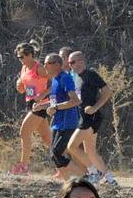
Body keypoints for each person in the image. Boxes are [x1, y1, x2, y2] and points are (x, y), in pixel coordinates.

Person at [65, 51, 118, 184]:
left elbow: (107, 91)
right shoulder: (75, 77)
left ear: (81, 61)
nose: (70, 65)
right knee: (90, 151)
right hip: (84, 117)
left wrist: (95, 107)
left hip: (91, 118)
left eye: (72, 62)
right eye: (69, 63)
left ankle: (94, 173)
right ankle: (110, 180)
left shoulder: (91, 75)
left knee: (71, 146)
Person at [12, 40, 52, 175]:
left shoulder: (39, 68)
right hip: (30, 103)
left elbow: (56, 83)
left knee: (24, 132)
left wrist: (44, 94)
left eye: (22, 57)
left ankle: (23, 166)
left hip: (41, 105)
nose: (20, 60)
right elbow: (24, 90)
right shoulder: (23, 68)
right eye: (18, 57)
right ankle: (67, 164)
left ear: (30, 55)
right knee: (49, 140)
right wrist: (19, 86)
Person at [44, 52, 84, 180]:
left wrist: (55, 108)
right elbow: (56, 101)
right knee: (53, 154)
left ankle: (86, 175)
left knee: (56, 153)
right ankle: (67, 182)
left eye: (47, 63)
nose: (44, 66)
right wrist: (42, 106)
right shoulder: (55, 80)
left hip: (68, 123)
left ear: (57, 64)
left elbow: (75, 101)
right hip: (58, 122)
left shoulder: (65, 78)